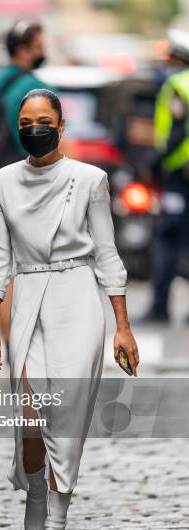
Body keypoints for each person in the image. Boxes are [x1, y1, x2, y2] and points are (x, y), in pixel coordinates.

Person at [0, 89, 139, 530]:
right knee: (31, 415)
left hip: (78, 298)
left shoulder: (90, 180)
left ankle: (57, 525)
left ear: (61, 126)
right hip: (28, 296)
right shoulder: (3, 182)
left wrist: (122, 327)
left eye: (44, 120)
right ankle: (34, 486)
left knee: (67, 419)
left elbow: (107, 254)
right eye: (25, 121)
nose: (34, 128)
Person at [142, 29, 189, 322]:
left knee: (167, 238)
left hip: (179, 175)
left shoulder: (176, 85)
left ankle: (160, 306)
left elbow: (176, 132)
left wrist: (153, 163)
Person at [0, 20, 54, 163]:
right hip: (27, 170)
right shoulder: (36, 88)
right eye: (39, 47)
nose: (42, 52)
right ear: (22, 51)